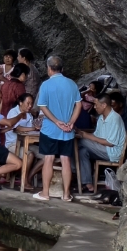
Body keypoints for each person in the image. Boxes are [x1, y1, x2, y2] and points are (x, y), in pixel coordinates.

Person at [34, 55, 80, 202]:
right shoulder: (72, 84)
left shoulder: (46, 85)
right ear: (62, 69)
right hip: (68, 130)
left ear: (49, 69)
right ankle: (66, 195)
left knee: (48, 159)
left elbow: (42, 106)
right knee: (66, 160)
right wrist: (71, 122)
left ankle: (45, 193)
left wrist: (55, 121)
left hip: (50, 129)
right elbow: (78, 105)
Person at [0, 91, 36, 189]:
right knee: (18, 163)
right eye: (0, 98)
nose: (1, 100)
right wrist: (20, 116)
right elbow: (9, 123)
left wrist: (6, 129)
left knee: (27, 157)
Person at [77, 92, 127, 193]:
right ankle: (88, 184)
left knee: (80, 141)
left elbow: (110, 143)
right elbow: (96, 136)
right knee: (82, 151)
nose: (94, 107)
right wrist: (82, 133)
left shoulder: (115, 118)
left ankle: (72, 169)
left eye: (96, 104)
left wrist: (86, 136)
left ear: (104, 105)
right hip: (102, 149)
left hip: (113, 153)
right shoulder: (101, 118)